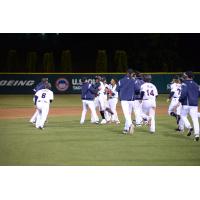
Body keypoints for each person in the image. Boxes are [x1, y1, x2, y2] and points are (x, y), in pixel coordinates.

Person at [178, 71, 200, 141]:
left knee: (183, 115)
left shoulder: (184, 84)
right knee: (195, 119)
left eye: (185, 75)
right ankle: (197, 135)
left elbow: (183, 93)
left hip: (186, 104)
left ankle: (189, 127)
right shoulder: (196, 84)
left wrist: (180, 100)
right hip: (194, 104)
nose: (184, 75)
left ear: (187, 76)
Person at [116, 68, 135, 134]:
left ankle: (130, 125)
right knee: (128, 114)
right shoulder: (133, 81)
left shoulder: (121, 80)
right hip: (131, 100)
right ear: (129, 73)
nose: (133, 75)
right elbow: (137, 89)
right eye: (132, 73)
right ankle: (126, 129)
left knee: (126, 114)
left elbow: (117, 89)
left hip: (124, 100)